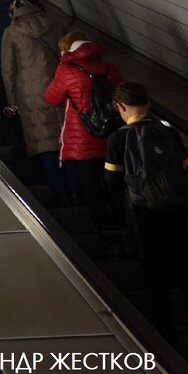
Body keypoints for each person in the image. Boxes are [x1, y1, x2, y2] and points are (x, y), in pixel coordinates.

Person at [105, 82, 188, 370]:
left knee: (157, 285)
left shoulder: (118, 139)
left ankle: (166, 351)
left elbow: (111, 182)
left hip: (145, 222)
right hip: (178, 219)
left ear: (121, 107)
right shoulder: (169, 132)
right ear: (148, 103)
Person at [44, 32, 121, 234]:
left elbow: (51, 98)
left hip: (82, 142)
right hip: (110, 139)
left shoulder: (67, 69)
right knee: (114, 188)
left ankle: (106, 234)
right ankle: (125, 231)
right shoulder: (109, 68)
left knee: (92, 190)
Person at [0, 0, 67, 198]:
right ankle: (77, 189)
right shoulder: (55, 23)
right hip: (60, 88)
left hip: (30, 95)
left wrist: (12, 102)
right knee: (64, 140)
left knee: (43, 142)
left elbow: (8, 70)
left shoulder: (12, 32)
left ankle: (60, 193)